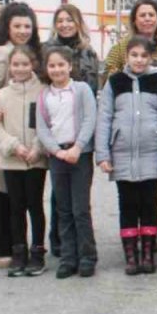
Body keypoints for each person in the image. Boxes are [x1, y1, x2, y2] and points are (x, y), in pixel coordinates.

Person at [96, 37, 157, 276]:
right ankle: (131, 256)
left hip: (153, 153)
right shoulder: (115, 81)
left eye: (144, 56)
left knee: (150, 204)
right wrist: (103, 154)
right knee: (128, 204)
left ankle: (147, 253)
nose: (139, 60)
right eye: (134, 55)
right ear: (126, 57)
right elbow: (104, 118)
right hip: (122, 154)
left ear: (150, 58)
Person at [0, 2, 42, 268]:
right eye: (17, 26)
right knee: (0, 189)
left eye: (27, 25)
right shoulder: (3, 52)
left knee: (17, 191)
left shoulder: (29, 52)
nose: (23, 30)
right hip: (0, 128)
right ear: (7, 27)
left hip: (23, 128)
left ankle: (14, 245)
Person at [35, 46, 98, 279]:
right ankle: (68, 257)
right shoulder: (44, 95)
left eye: (61, 64)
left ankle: (87, 256)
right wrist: (56, 151)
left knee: (80, 208)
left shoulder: (81, 90)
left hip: (79, 154)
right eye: (52, 65)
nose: (57, 69)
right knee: (63, 209)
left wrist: (78, 147)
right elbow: (42, 127)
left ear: (70, 66)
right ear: (46, 68)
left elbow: (91, 118)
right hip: (57, 157)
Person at [0, 46, 47, 277]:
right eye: (16, 65)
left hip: (35, 159)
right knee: (16, 207)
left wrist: (37, 148)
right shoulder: (2, 95)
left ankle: (38, 252)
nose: (20, 68)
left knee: (35, 205)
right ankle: (19, 251)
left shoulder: (42, 91)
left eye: (24, 64)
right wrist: (13, 146)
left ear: (32, 65)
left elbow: (46, 124)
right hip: (12, 160)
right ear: (10, 67)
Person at [104, 0, 157, 79]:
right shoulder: (120, 48)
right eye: (142, 15)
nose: (147, 19)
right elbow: (108, 78)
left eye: (151, 15)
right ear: (134, 21)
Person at [44, 4, 101, 93]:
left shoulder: (88, 52)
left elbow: (92, 87)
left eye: (70, 20)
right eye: (60, 21)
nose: (64, 24)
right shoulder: (46, 50)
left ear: (78, 23)